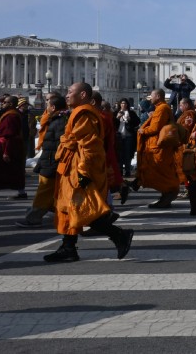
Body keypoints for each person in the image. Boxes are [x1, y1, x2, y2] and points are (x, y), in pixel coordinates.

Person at [43, 82, 134, 263]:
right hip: (71, 166)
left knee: (80, 209)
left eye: (70, 92)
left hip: (78, 168)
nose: (67, 95)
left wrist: (83, 171)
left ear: (83, 95)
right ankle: (68, 247)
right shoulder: (79, 112)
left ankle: (119, 235)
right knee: (69, 209)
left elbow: (90, 145)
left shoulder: (84, 113)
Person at [17, 96, 68, 228]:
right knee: (50, 192)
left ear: (53, 107)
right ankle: (59, 212)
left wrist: (52, 162)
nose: (46, 107)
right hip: (49, 160)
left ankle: (34, 217)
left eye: (48, 104)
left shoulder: (60, 121)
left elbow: (60, 146)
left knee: (44, 192)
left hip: (52, 162)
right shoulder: (57, 120)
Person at [135, 88, 181, 208]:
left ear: (158, 97)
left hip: (158, 146)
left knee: (161, 171)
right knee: (159, 171)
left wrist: (142, 130)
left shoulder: (162, 109)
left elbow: (155, 128)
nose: (151, 98)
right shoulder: (161, 108)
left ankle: (170, 191)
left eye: (152, 96)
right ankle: (166, 194)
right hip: (156, 146)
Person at [114, 98, 141, 178]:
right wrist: (117, 118)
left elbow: (137, 122)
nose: (123, 105)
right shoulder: (115, 113)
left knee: (128, 154)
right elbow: (112, 124)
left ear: (127, 105)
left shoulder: (131, 113)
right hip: (119, 135)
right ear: (119, 104)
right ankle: (120, 170)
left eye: (125, 103)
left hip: (129, 135)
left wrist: (130, 119)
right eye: (122, 103)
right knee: (119, 154)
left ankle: (128, 170)